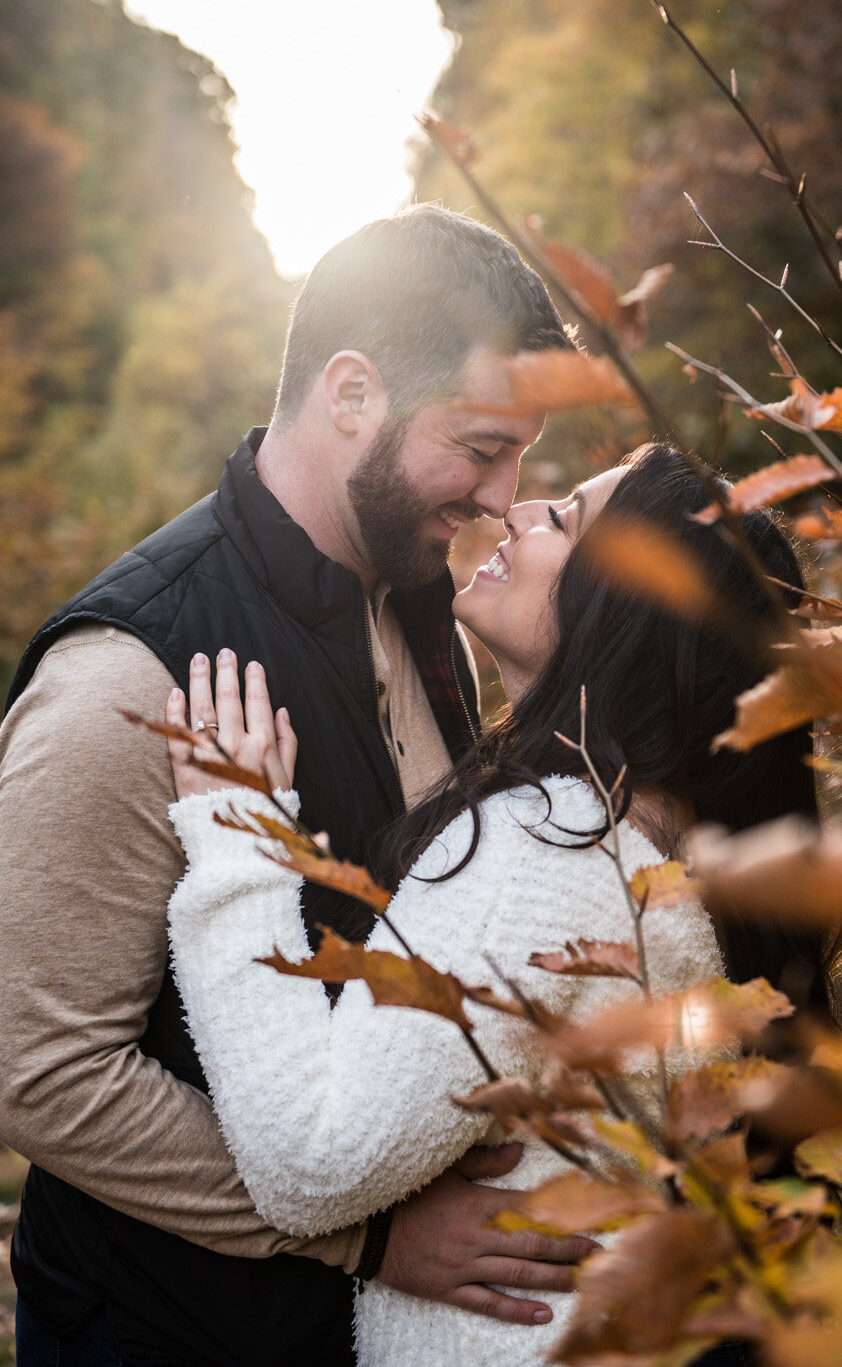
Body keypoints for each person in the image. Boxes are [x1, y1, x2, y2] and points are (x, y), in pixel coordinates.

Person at [0, 204, 596, 1367]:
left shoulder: (425, 602)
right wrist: (367, 1237)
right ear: (351, 392)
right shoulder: (128, 674)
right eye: (480, 448)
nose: (500, 494)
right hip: (168, 1336)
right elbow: (39, 1071)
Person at [163, 443, 836, 1367]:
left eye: (564, 520)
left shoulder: (549, 849)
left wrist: (237, 837)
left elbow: (314, 1164)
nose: (519, 510)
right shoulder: (671, 838)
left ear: (622, 612)